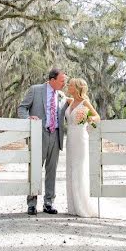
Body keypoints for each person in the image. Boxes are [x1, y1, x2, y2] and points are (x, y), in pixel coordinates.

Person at [18, 68, 67, 215]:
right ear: (52, 80)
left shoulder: (62, 95)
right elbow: (22, 108)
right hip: (39, 135)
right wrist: (28, 119)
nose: (64, 83)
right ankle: (32, 203)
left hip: (56, 135)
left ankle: (48, 203)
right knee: (35, 169)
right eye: (62, 81)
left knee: (51, 171)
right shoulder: (36, 90)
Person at [64, 77, 100, 217]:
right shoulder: (71, 101)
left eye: (71, 85)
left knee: (80, 169)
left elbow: (97, 117)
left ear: (77, 88)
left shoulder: (85, 102)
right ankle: (73, 207)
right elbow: (59, 95)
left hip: (80, 138)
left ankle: (83, 206)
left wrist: (90, 119)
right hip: (70, 139)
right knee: (71, 168)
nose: (68, 86)